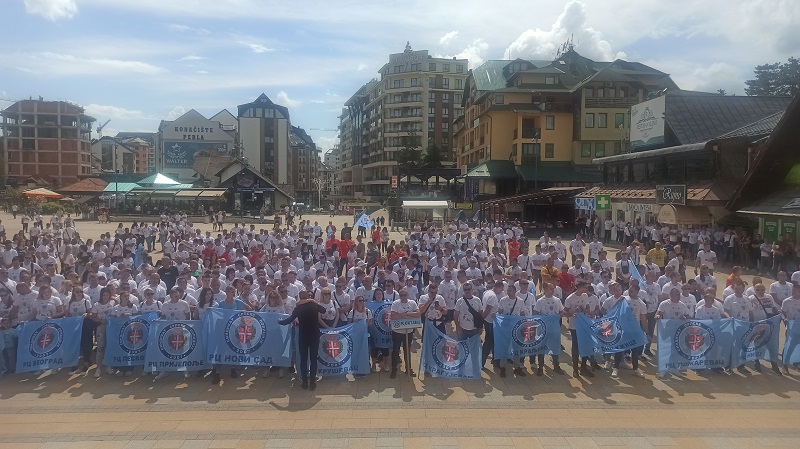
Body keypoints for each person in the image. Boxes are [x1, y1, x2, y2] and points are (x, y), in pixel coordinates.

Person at [278, 291, 326, 390]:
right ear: (308, 297)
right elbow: (324, 310)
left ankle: (304, 381)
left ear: (299, 297)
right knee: (313, 359)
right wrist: (314, 301)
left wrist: (279, 321)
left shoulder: (298, 308)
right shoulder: (314, 305)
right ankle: (312, 381)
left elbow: (290, 320)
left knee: (303, 359)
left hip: (303, 336)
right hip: (314, 335)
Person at [532, 282, 565, 376]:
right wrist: (543, 318)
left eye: (553, 288)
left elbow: (562, 311)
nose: (553, 290)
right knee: (541, 347)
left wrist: (559, 316)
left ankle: (556, 365)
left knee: (555, 346)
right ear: (545, 289)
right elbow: (535, 313)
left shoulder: (557, 300)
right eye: (551, 289)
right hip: (543, 329)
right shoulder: (540, 301)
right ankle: (540, 366)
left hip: (554, 328)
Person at [388, 287, 420, 378]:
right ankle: (394, 369)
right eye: (401, 295)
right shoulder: (395, 303)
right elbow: (393, 316)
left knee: (407, 351)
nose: (402, 297)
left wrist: (405, 314)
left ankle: (408, 369)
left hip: (408, 331)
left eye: (404, 295)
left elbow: (418, 314)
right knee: (395, 351)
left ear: (407, 295)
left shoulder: (412, 303)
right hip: (397, 332)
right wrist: (409, 315)